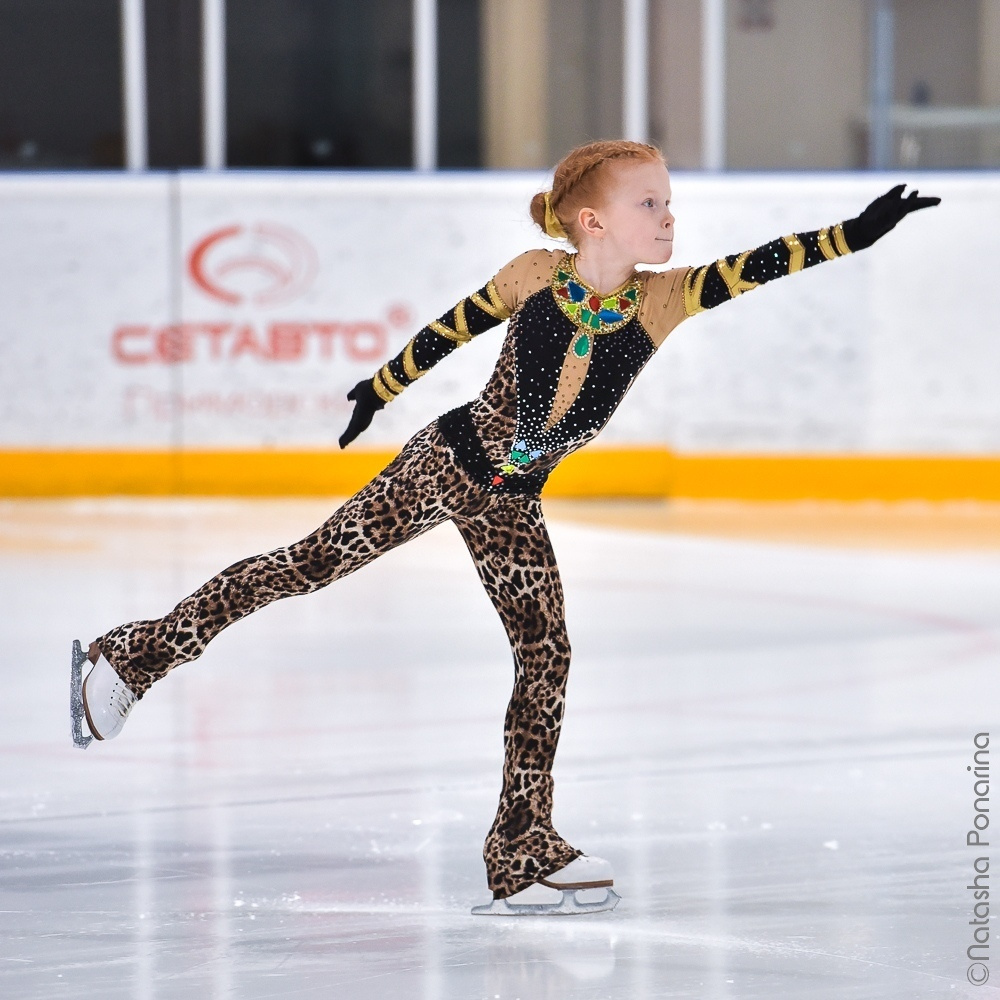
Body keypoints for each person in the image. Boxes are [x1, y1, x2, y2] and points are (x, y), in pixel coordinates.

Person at [72, 139, 940, 916]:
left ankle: (521, 850)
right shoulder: (533, 273)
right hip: (445, 461)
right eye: (652, 205)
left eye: (671, 203)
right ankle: (127, 657)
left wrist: (853, 235)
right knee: (307, 566)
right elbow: (453, 329)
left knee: (546, 653)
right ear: (592, 221)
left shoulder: (664, 300)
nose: (671, 219)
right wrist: (379, 388)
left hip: (511, 499)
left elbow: (761, 265)